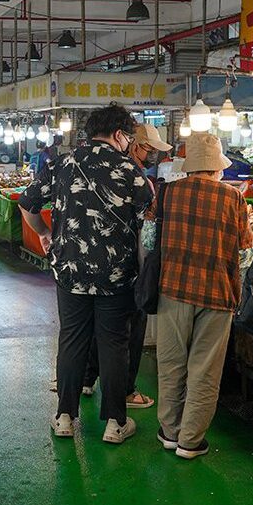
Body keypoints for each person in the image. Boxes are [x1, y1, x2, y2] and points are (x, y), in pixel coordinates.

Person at [20, 104, 153, 445]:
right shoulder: (130, 170)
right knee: (113, 343)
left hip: (70, 271)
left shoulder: (62, 163)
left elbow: (27, 203)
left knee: (72, 339)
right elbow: (148, 220)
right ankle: (115, 423)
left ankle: (64, 416)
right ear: (120, 135)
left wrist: (45, 233)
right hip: (116, 274)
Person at [153, 132, 251, 459]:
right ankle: (190, 441)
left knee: (171, 363)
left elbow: (149, 240)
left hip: (173, 290)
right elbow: (244, 255)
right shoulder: (234, 199)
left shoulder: (166, 194)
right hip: (218, 294)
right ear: (217, 168)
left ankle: (169, 431)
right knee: (204, 370)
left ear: (189, 166)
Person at [80, 123, 170, 410]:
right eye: (149, 149)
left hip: (93, 262)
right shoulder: (134, 174)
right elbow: (148, 220)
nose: (152, 155)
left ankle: (86, 378)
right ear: (132, 144)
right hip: (129, 264)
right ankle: (125, 394)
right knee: (128, 331)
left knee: (98, 327)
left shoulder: (102, 169)